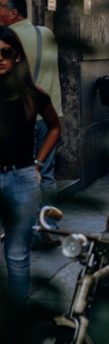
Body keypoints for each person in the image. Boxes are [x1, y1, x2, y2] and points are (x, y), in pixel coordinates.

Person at [0, 25, 60, 299]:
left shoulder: (33, 94)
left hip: (22, 180)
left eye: (6, 52)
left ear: (17, 56)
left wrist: (38, 162)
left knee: (17, 255)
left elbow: (55, 128)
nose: (0, 58)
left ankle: (17, 317)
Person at [0, 0, 62, 242]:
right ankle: (49, 227)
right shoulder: (46, 33)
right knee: (45, 174)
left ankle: (23, 226)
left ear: (13, 12)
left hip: (21, 118)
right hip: (47, 111)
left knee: (20, 173)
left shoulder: (9, 39)